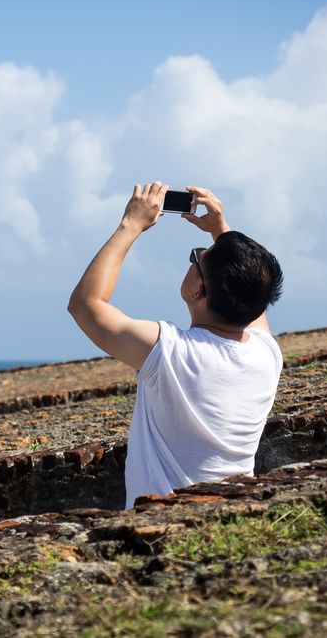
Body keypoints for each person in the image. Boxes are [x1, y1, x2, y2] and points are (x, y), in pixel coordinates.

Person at [68, 183, 283, 509]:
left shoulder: (171, 352)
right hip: (232, 517)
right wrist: (221, 232)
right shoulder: (266, 355)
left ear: (198, 289)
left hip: (161, 525)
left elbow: (86, 304)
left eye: (197, 258)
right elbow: (253, 290)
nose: (194, 258)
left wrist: (131, 224)